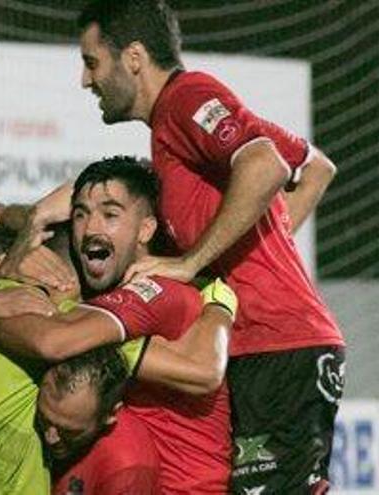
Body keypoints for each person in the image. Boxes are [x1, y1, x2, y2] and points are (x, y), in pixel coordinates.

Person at [25, 2, 345, 493]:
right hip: (263, 345)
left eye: (92, 63)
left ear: (133, 56)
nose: (85, 81)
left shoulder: (187, 97)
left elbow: (268, 166)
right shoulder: (169, 128)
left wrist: (192, 262)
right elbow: (315, 166)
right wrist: (255, 253)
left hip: (279, 345)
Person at [0, 157, 236, 493]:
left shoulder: (155, 291)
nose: (92, 228)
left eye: (110, 215)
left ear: (146, 229)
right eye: (81, 214)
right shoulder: (104, 303)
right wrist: (34, 216)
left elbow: (53, 342)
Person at [39, 345, 160, 495]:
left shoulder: (126, 471)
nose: (50, 438)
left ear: (109, 415)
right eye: (44, 419)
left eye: (68, 431)